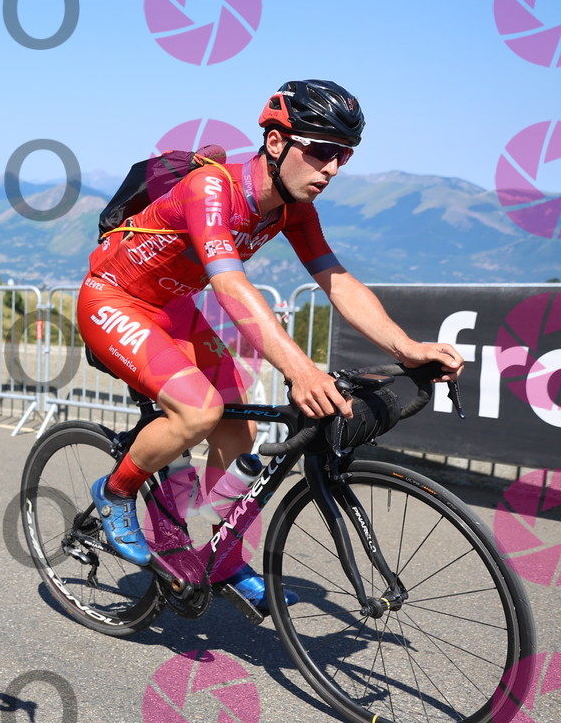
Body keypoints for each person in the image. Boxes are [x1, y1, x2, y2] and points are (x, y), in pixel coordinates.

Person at [77, 79, 465, 611]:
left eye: (344, 156)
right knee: (198, 411)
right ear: (277, 141)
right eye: (321, 150)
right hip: (114, 299)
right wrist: (300, 369)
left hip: (173, 307)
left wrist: (407, 348)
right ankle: (116, 492)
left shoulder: (291, 209)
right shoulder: (211, 189)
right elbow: (230, 284)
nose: (332, 169)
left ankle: (221, 552)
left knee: (240, 426)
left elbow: (337, 281)